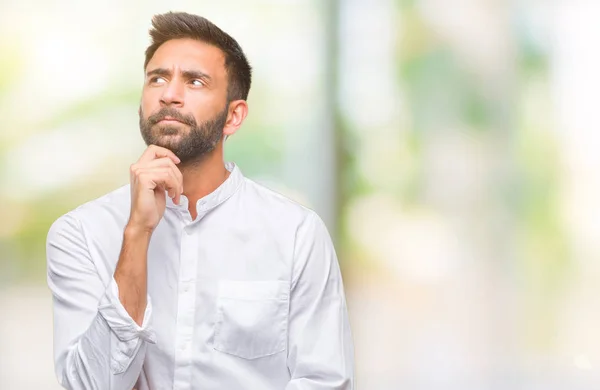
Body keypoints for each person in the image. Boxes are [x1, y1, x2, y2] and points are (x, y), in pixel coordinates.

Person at [46, 11, 354, 390]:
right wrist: (138, 234)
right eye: (157, 78)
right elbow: (90, 386)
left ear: (233, 116)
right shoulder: (80, 234)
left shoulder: (296, 235)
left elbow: (324, 382)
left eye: (195, 81)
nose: (169, 94)